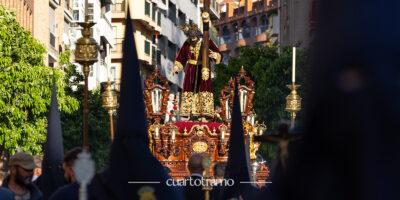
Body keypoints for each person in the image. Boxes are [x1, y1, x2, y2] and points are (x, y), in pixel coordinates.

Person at [173, 23, 222, 117]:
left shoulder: (206, 41)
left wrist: (215, 55)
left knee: (203, 88)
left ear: (198, 35)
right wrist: (177, 67)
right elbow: (181, 56)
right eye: (191, 38)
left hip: (203, 68)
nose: (192, 40)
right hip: (190, 69)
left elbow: (217, 53)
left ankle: (204, 112)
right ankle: (189, 112)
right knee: (189, 88)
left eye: (194, 38)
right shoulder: (187, 42)